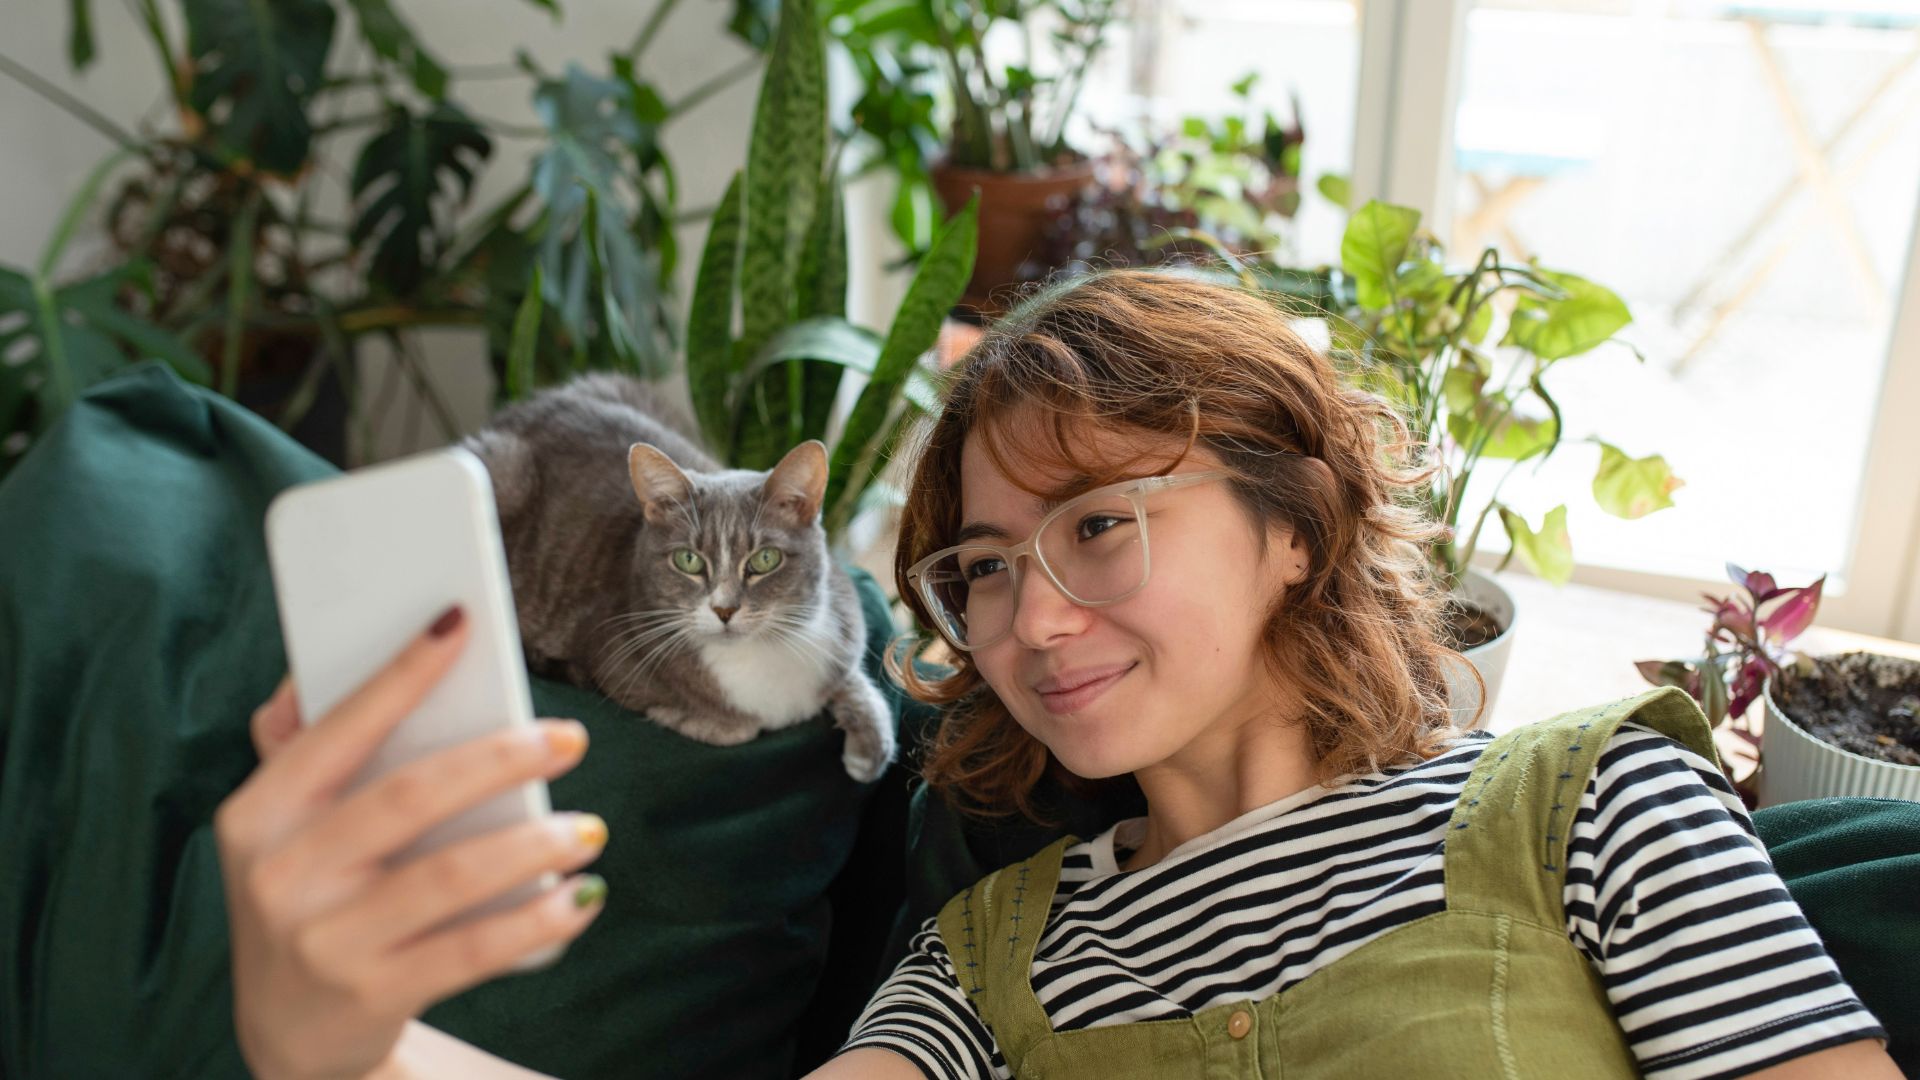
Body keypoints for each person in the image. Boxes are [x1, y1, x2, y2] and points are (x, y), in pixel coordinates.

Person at [216, 270, 1898, 1079]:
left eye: (1099, 522)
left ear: (1292, 528)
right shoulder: (978, 969)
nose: (1030, 619)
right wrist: (335, 1046)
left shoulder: (1596, 803)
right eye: (983, 569)